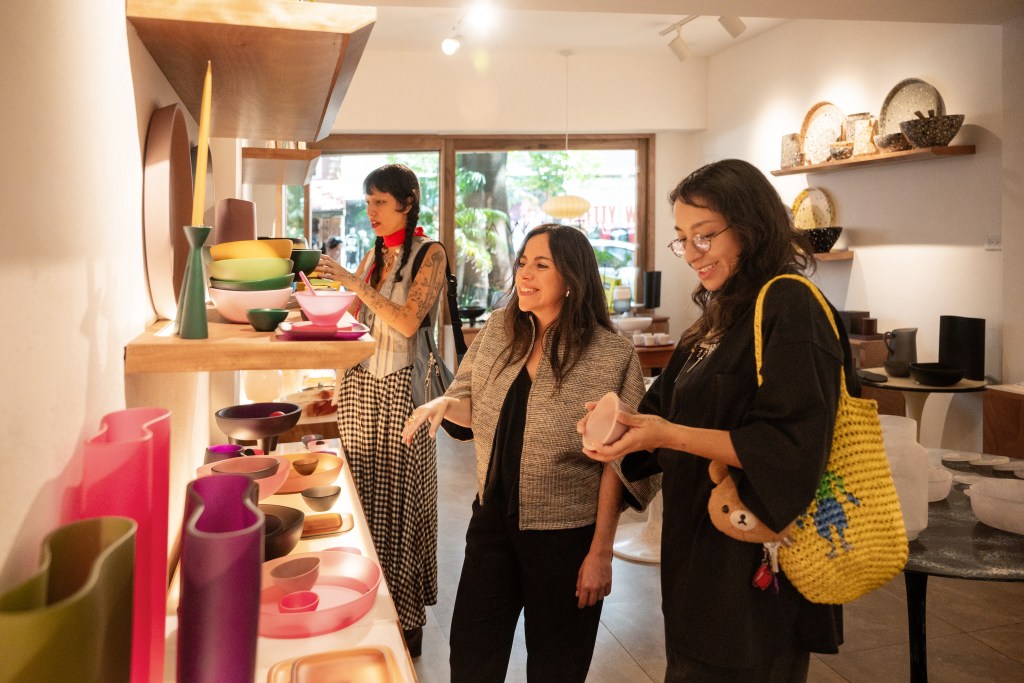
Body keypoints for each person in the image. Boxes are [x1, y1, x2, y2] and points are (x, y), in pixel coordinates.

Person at [581, 159, 851, 682]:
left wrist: (668, 434)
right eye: (683, 239)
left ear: (751, 226)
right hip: (698, 555)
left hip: (752, 565)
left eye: (705, 235)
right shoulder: (720, 315)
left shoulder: (789, 304)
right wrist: (622, 427)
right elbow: (665, 413)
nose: (692, 253)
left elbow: (789, 446)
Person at [401, 223, 660, 682]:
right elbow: (472, 404)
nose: (524, 274)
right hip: (491, 525)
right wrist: (443, 404)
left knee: (557, 669)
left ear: (572, 278)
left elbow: (619, 463)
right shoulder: (499, 329)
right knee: (471, 661)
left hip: (566, 538)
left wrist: (601, 552)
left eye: (541, 265)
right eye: (523, 263)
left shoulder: (610, 354)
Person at [316, 163, 448, 657]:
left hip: (401, 391)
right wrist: (334, 372)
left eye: (379, 202)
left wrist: (355, 283)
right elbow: (359, 321)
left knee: (402, 505)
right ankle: (370, 609)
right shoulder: (374, 255)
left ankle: (407, 621)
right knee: (364, 506)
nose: (370, 210)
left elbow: (408, 323)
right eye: (368, 201)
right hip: (360, 387)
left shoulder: (430, 253)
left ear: (406, 204)